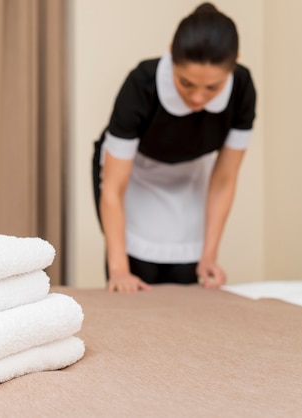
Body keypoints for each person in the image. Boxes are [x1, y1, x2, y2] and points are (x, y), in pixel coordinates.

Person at [92, 3, 256, 293]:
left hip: (191, 173)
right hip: (132, 177)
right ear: (170, 53)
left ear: (234, 64)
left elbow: (224, 178)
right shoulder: (141, 83)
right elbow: (114, 189)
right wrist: (118, 270)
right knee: (134, 279)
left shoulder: (242, 88)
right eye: (186, 83)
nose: (197, 98)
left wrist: (210, 256)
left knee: (187, 279)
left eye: (212, 88)